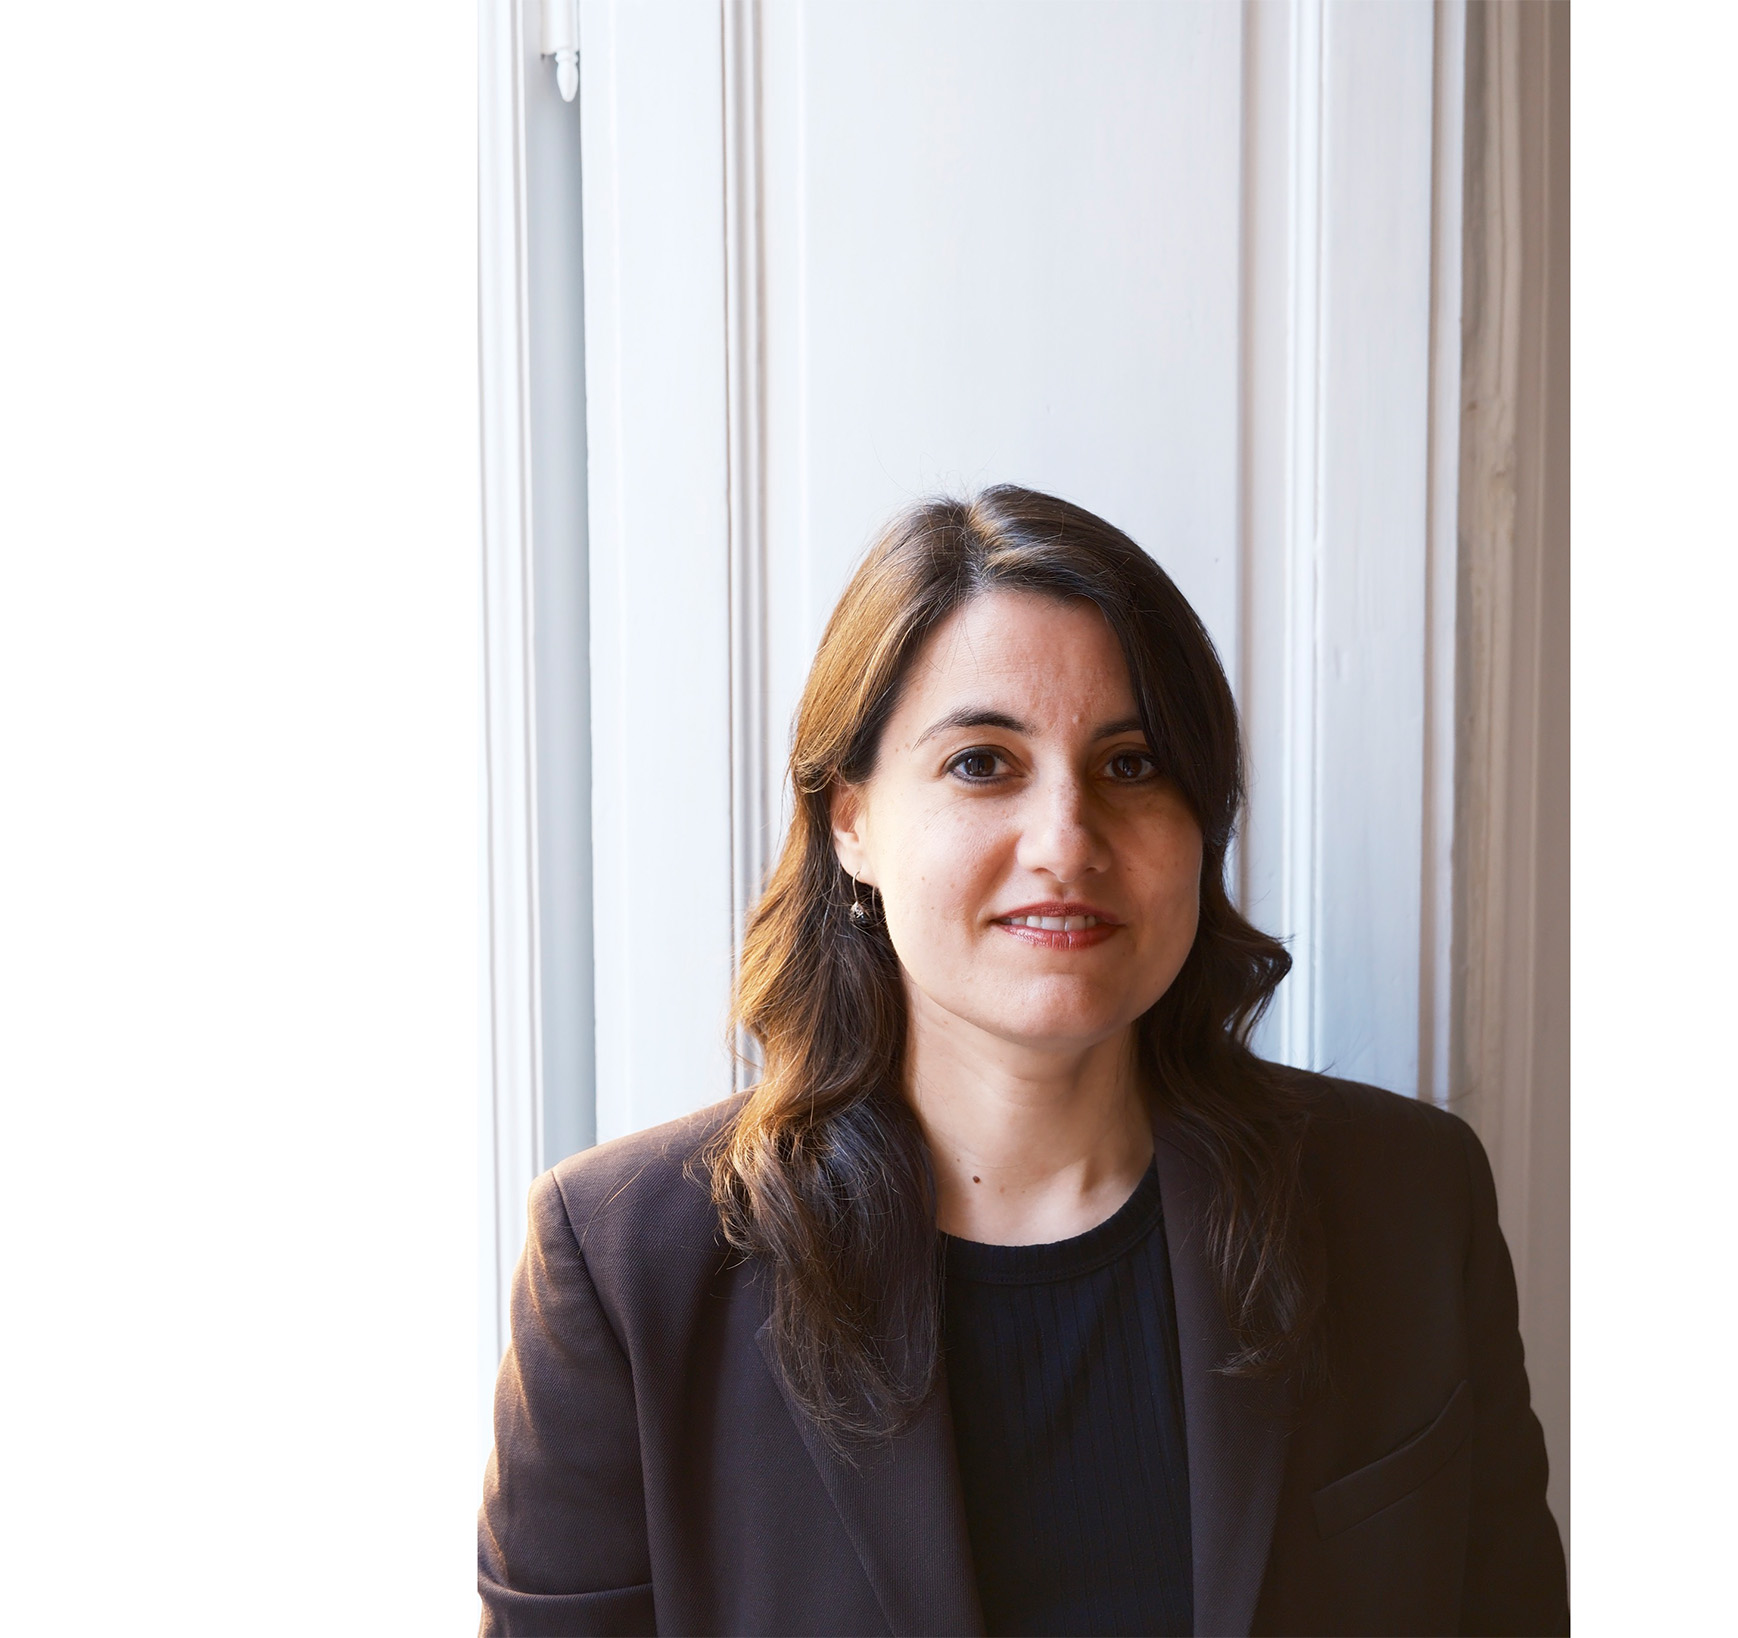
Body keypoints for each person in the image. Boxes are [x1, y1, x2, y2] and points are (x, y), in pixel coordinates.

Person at [478, 486, 1568, 1636]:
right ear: (850, 821)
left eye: (1133, 763)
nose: (1065, 842)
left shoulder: (1407, 1196)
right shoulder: (620, 1269)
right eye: (982, 764)